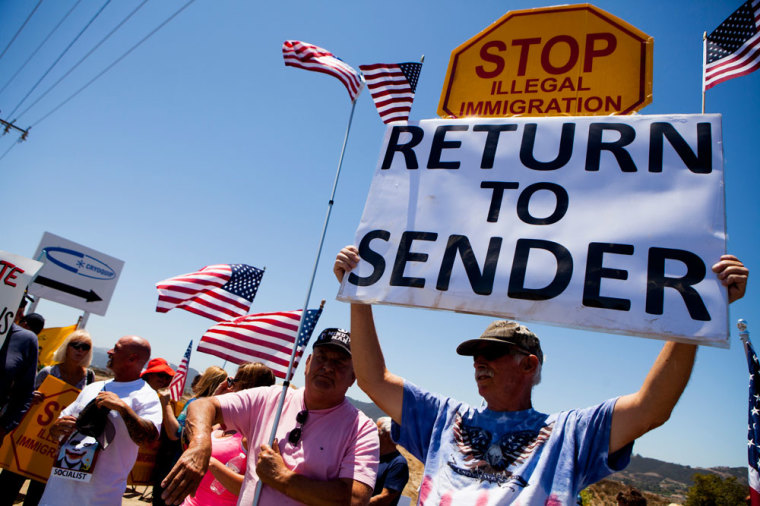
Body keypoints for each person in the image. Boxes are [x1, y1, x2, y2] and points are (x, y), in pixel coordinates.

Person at [333, 247, 749, 505]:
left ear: (529, 365)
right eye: (476, 354)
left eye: (493, 354)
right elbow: (372, 378)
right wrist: (358, 294)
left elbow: (651, 407)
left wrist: (700, 315)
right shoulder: (443, 417)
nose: (480, 362)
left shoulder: (569, 434)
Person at [161, 328, 380, 506]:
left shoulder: (361, 429)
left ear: (354, 376)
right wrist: (200, 444)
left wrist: (283, 478)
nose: (327, 368)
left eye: (340, 362)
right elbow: (202, 405)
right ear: (308, 363)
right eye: (321, 358)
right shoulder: (272, 398)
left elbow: (355, 499)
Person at [38, 335, 162, 506]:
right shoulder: (93, 388)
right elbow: (58, 428)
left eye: (116, 349)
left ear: (132, 358)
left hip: (98, 498)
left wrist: (124, 409)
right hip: (56, 494)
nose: (110, 352)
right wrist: (57, 428)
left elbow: (148, 439)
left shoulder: (146, 396)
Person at [0, 329, 95, 506]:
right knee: (7, 488)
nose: (80, 350)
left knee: (39, 498)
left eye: (85, 347)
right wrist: (32, 397)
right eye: (76, 345)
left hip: (56, 449)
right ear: (67, 346)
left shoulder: (89, 378)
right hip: (28, 441)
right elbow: (22, 398)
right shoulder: (48, 372)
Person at [182, 362, 276, 506]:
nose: (228, 385)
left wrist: (210, 461)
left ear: (247, 389)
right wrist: (215, 398)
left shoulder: (253, 435)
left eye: (233, 381)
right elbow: (189, 435)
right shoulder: (221, 425)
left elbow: (253, 488)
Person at [153, 366, 228, 506]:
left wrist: (166, 404)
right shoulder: (219, 410)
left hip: (177, 466)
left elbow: (175, 433)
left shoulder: (196, 404)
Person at [370, 417, 408, 506]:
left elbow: (385, 498)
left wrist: (358, 503)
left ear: (386, 435)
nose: (373, 433)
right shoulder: (373, 455)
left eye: (376, 430)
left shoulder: (398, 464)